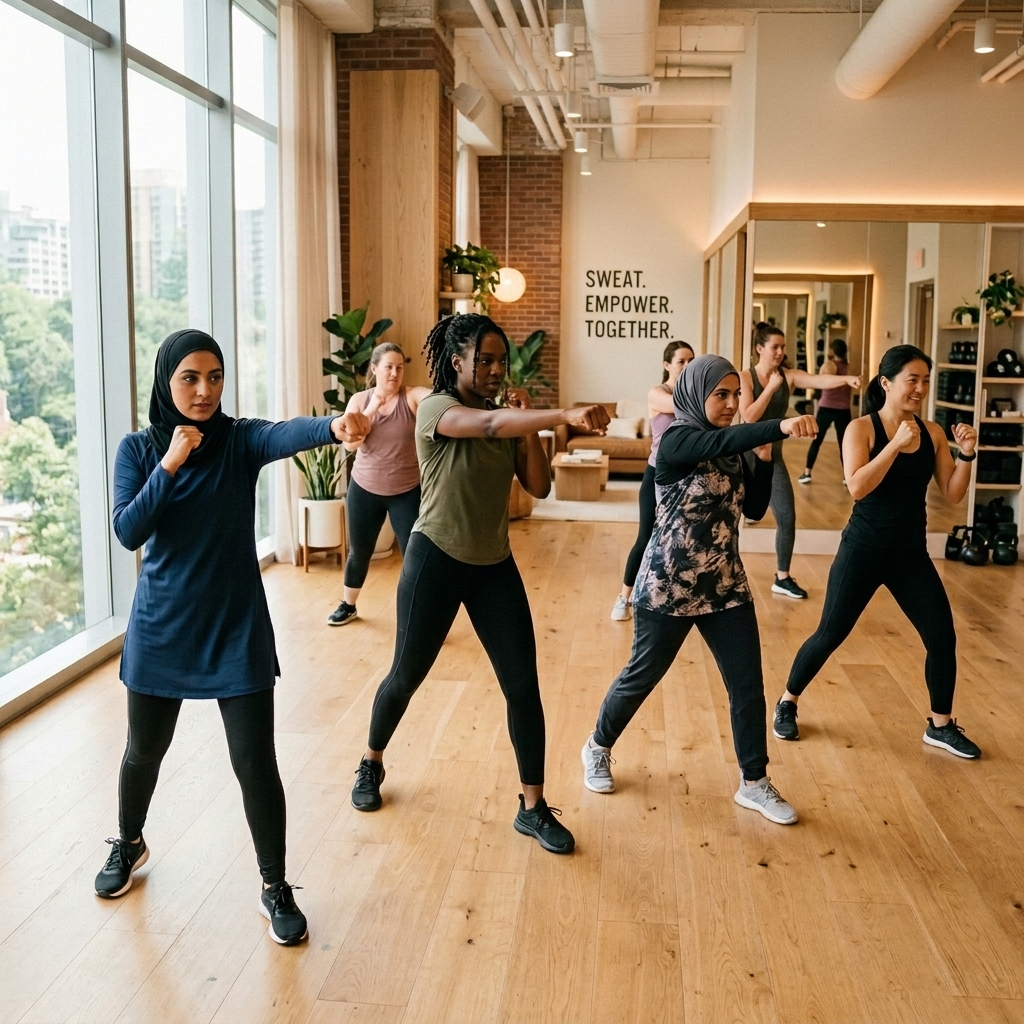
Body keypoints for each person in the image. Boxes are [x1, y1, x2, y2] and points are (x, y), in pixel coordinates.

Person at [94, 329, 370, 947]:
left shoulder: (239, 440)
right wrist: (171, 460)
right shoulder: (137, 451)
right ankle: (130, 841)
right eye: (190, 378)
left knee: (255, 762)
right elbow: (127, 531)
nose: (204, 390)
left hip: (234, 626)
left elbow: (285, 432)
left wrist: (335, 425)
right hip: (162, 628)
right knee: (145, 751)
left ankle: (274, 885)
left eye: (215, 377)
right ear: (167, 381)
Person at [349, 313, 609, 855]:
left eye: (500, 361)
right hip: (435, 559)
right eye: (484, 360)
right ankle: (371, 762)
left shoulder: (504, 417)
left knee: (523, 686)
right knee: (406, 674)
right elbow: (485, 428)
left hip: (493, 564)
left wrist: (532, 425)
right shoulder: (439, 409)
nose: (495, 370)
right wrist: (562, 413)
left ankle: (533, 807)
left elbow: (537, 486)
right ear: (456, 362)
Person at [581, 354, 818, 825]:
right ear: (696, 394)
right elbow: (724, 437)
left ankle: (754, 783)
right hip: (669, 586)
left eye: (736, 394)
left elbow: (751, 510)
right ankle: (597, 746)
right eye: (721, 395)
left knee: (747, 686)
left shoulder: (732, 449)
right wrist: (779, 428)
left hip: (725, 586)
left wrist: (765, 460)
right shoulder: (677, 440)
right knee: (641, 677)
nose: (732, 403)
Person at [774, 345, 981, 759]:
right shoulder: (861, 429)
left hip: (910, 556)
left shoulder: (934, 433)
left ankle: (940, 725)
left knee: (942, 637)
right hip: (863, 551)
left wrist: (967, 455)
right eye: (912, 380)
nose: (920, 388)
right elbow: (857, 487)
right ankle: (787, 701)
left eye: (925, 380)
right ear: (887, 383)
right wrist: (894, 445)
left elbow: (953, 495)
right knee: (830, 634)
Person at [739, 323, 861, 600]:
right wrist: (770, 388)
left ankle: (782, 577)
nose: (781, 352)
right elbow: (749, 417)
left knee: (787, 516)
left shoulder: (789, 376)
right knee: (732, 516)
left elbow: (818, 380)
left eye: (783, 347)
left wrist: (847, 378)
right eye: (775, 347)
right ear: (760, 349)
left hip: (774, 457)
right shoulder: (745, 378)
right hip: (742, 456)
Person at [328, 342, 431, 626]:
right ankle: (348, 605)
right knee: (359, 552)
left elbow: (429, 396)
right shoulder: (360, 401)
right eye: (388, 367)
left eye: (400, 367)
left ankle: (420, 617)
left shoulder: (410, 398)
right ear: (374, 369)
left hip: (406, 491)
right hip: (364, 488)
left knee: (414, 555)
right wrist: (373, 407)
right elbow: (352, 444)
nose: (395, 373)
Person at [611, 340, 695, 622]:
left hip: (687, 476)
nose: (686, 366)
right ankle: (625, 597)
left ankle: (677, 597)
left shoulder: (695, 394)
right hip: (657, 474)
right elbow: (681, 405)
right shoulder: (658, 393)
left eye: (691, 361)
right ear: (667, 364)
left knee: (682, 540)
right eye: (681, 361)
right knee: (646, 536)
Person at [799, 338, 853, 485]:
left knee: (816, 441)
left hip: (827, 407)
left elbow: (821, 382)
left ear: (832, 351)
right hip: (843, 409)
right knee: (845, 444)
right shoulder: (849, 368)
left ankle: (807, 472)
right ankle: (847, 477)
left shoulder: (829, 365)